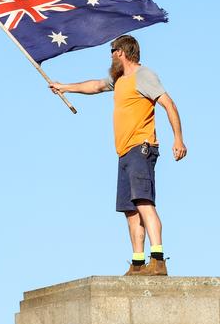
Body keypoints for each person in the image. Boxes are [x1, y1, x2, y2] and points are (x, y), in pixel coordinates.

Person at [50, 34, 187, 276]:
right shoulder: (119, 79)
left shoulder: (143, 76)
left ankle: (158, 260)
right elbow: (96, 86)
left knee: (144, 202)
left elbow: (169, 103)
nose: (111, 55)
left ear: (121, 52)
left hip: (141, 148)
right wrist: (65, 87)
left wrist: (178, 138)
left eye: (112, 50)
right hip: (124, 152)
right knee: (131, 210)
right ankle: (137, 263)